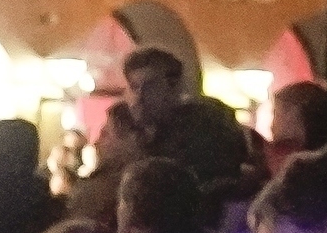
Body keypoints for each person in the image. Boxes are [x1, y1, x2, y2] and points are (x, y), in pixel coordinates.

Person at [91, 45, 259, 200]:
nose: (139, 97)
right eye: (134, 87)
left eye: (150, 87)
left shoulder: (206, 131)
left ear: (175, 89)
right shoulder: (126, 131)